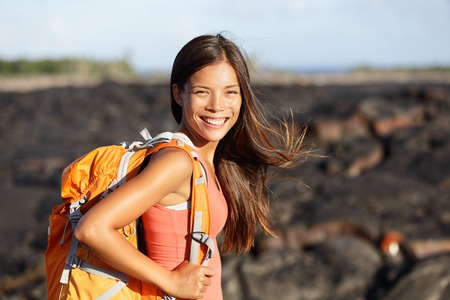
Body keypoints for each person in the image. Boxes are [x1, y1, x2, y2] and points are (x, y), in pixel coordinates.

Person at [74, 33, 309, 299]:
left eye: (230, 92)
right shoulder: (177, 162)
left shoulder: (206, 159)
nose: (217, 106)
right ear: (179, 94)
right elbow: (92, 229)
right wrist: (170, 281)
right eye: (202, 92)